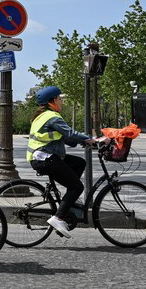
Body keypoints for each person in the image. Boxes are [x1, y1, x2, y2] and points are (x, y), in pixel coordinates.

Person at [27, 86, 103, 238]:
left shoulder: (43, 115)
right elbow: (70, 133)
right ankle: (58, 217)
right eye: (60, 98)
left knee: (79, 163)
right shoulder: (52, 116)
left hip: (43, 157)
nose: (62, 101)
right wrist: (94, 139)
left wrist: (85, 141)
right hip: (45, 158)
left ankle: (66, 202)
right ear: (53, 101)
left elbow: (65, 138)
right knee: (77, 187)